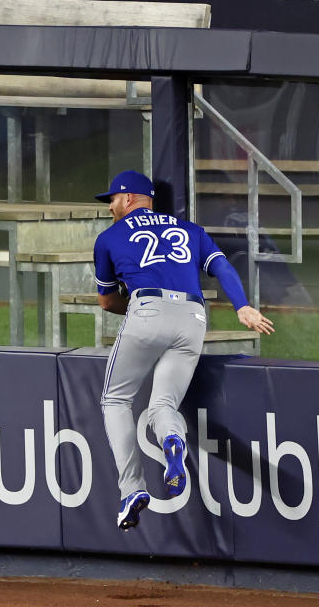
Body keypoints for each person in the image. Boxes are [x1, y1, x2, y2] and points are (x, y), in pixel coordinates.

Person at [93, 170, 274, 531]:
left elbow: (106, 300)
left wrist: (140, 312)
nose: (110, 206)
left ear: (129, 198)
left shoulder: (109, 237)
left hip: (146, 309)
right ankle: (172, 439)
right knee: (163, 405)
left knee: (115, 400)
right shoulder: (190, 230)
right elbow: (222, 266)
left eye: (112, 198)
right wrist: (242, 306)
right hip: (193, 316)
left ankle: (131, 489)